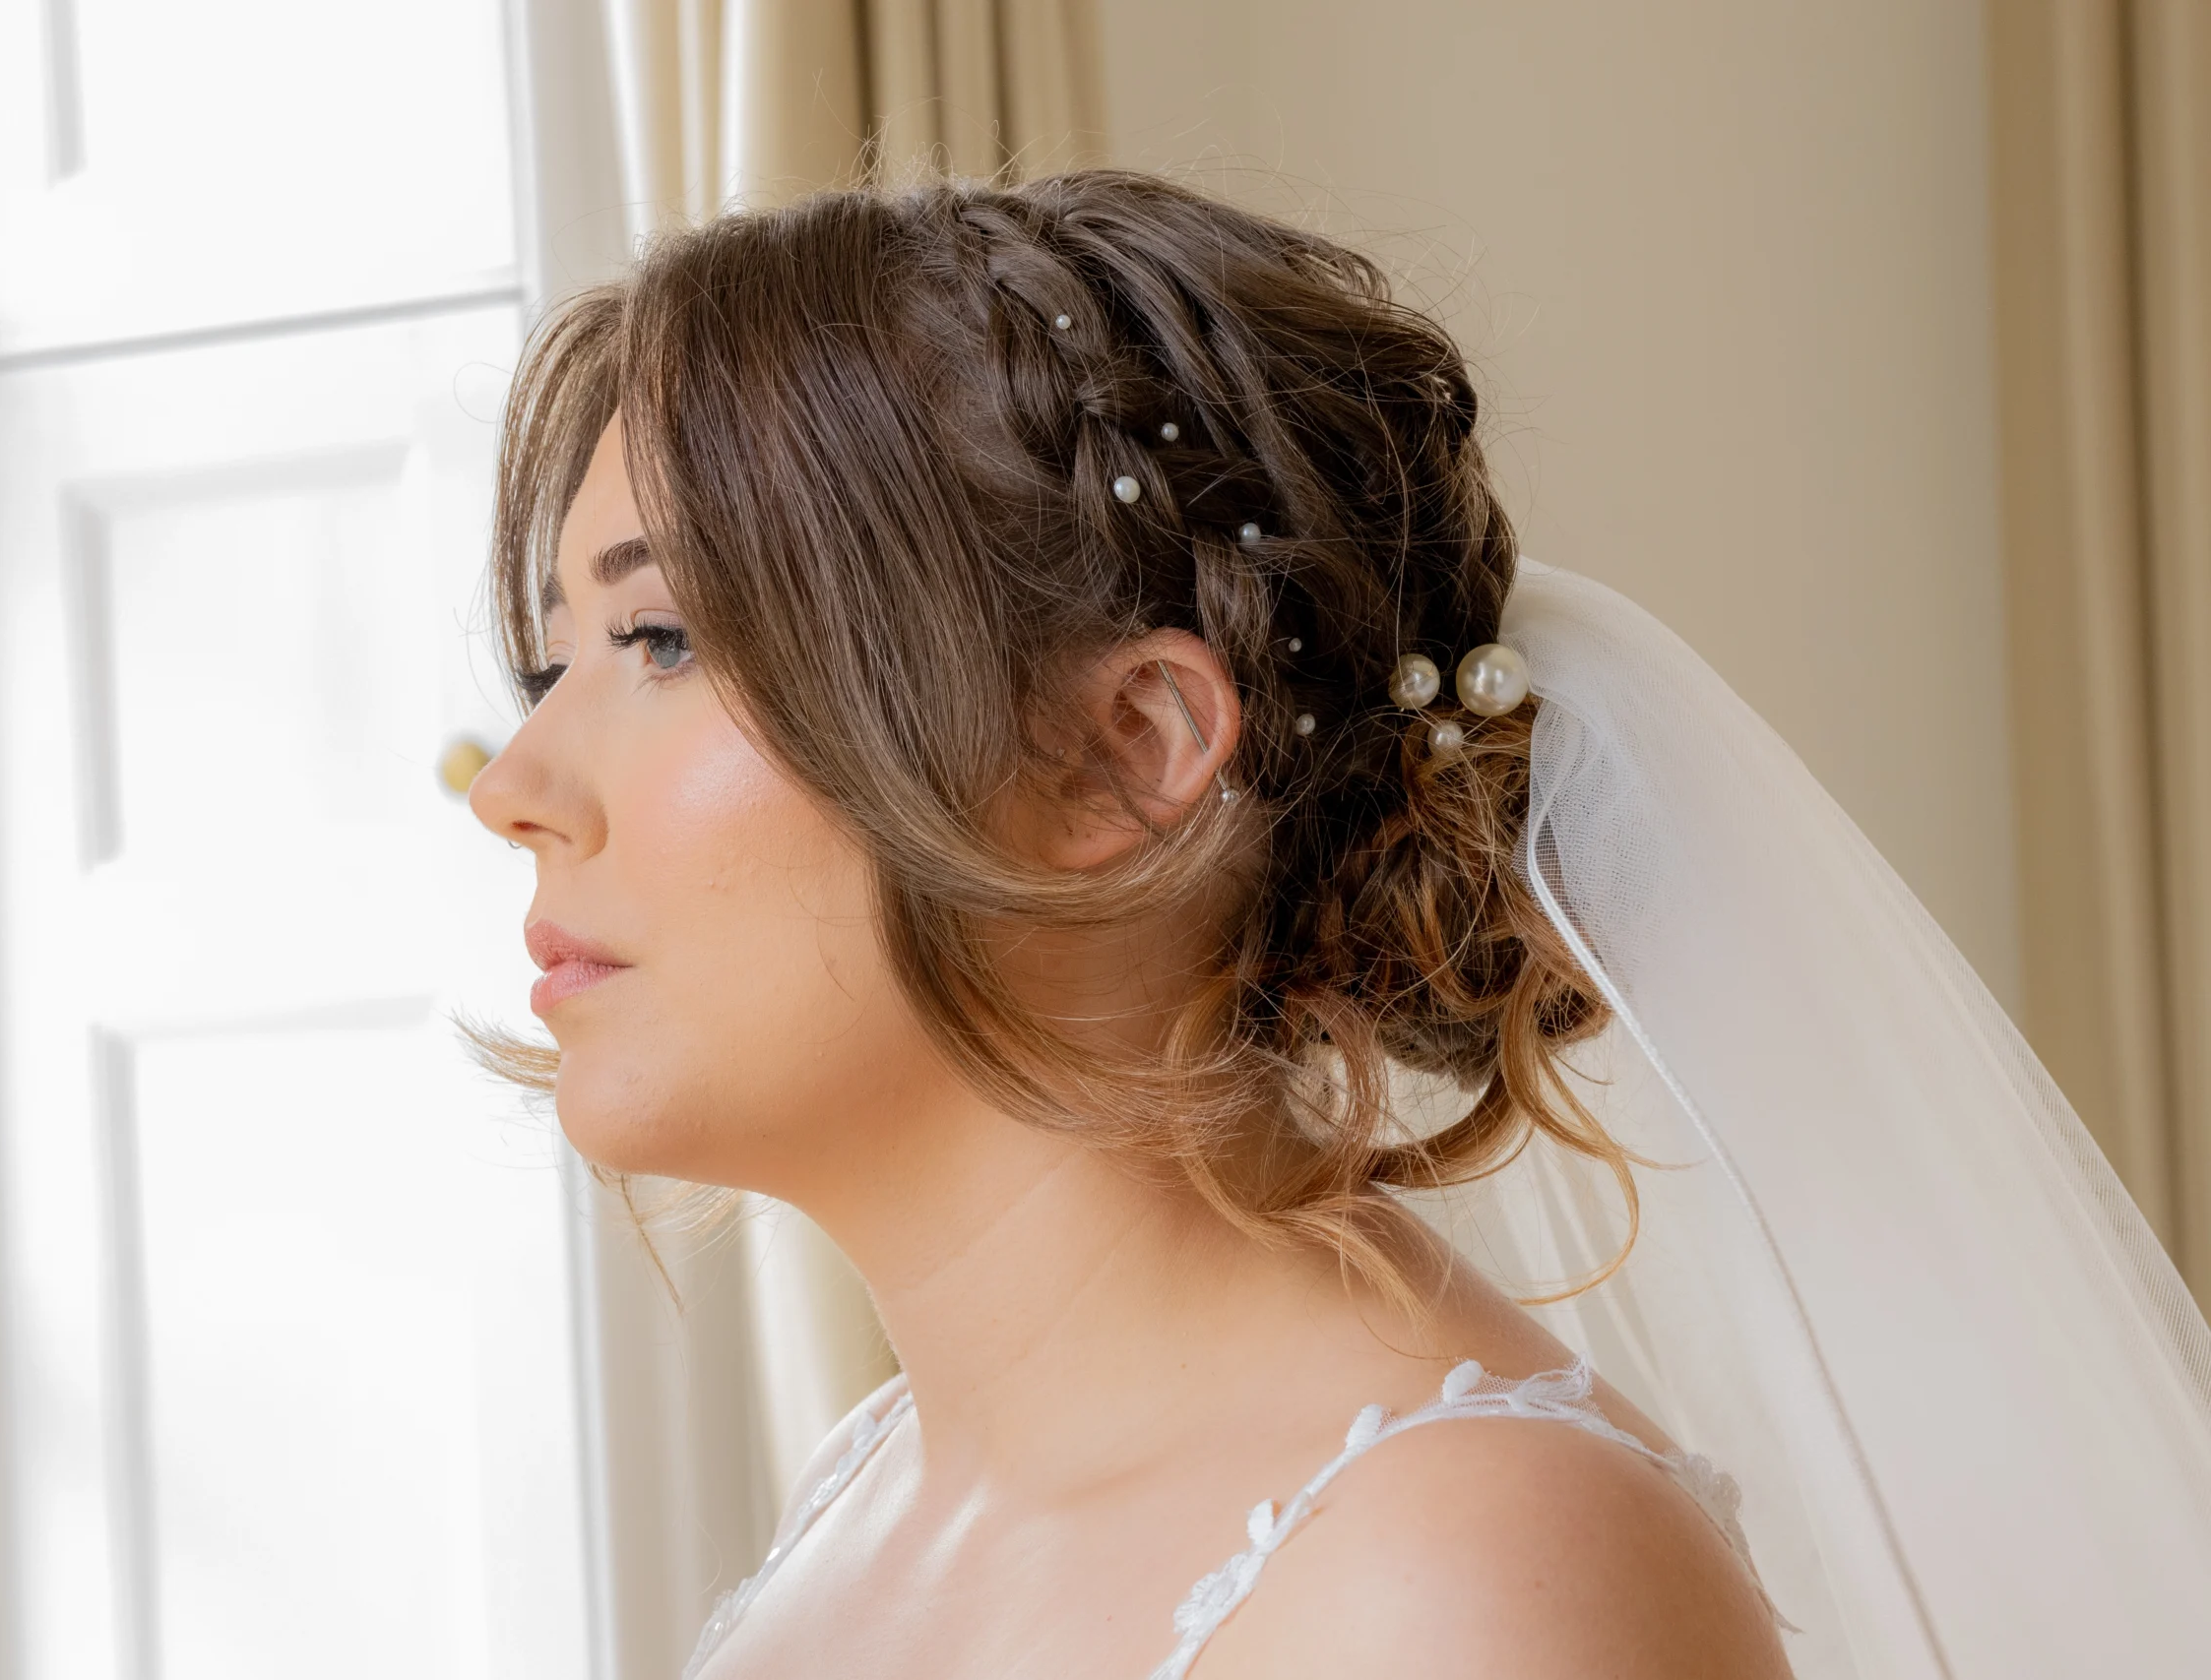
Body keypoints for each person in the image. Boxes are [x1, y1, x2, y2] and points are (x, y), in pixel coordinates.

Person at [467, 172, 2211, 1678]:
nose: (518, 777)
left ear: (1125, 758)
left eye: (666, 643)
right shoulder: (872, 1494)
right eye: (558, 658)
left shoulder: (1460, 1586)